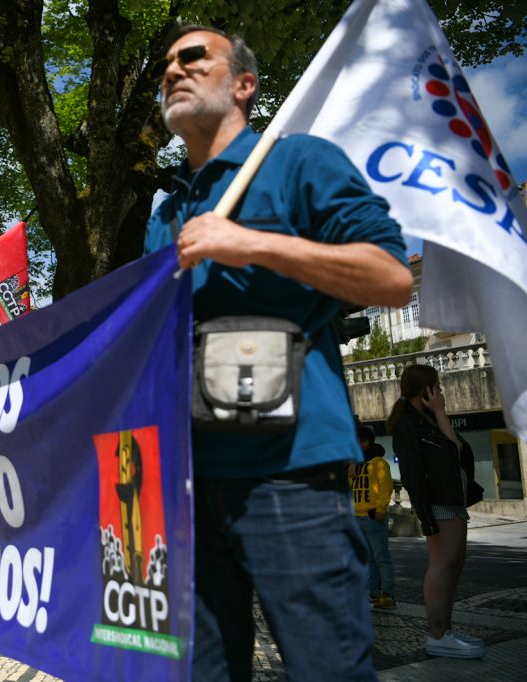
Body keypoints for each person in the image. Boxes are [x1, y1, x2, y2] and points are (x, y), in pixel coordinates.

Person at [143, 24, 413, 679]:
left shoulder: (300, 163)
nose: (172, 72)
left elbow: (390, 275)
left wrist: (254, 245)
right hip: (184, 483)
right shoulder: (164, 209)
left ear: (244, 84)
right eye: (165, 68)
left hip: (288, 477)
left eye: (193, 59)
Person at [389, 364, 484, 659]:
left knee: (454, 564)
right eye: (437, 387)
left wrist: (440, 412)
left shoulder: (428, 419)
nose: (441, 392)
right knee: (442, 565)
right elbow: (412, 474)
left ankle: (446, 630)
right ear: (425, 390)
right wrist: (426, 517)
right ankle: (438, 634)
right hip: (438, 504)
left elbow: (456, 449)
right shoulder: (407, 424)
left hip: (452, 500)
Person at [351, 425, 396, 609]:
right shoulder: (354, 464)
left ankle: (387, 593)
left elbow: (386, 487)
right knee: (368, 558)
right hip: (356, 516)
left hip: (372, 517)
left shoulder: (379, 463)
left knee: (381, 557)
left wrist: (381, 509)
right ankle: (373, 593)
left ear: (365, 442)